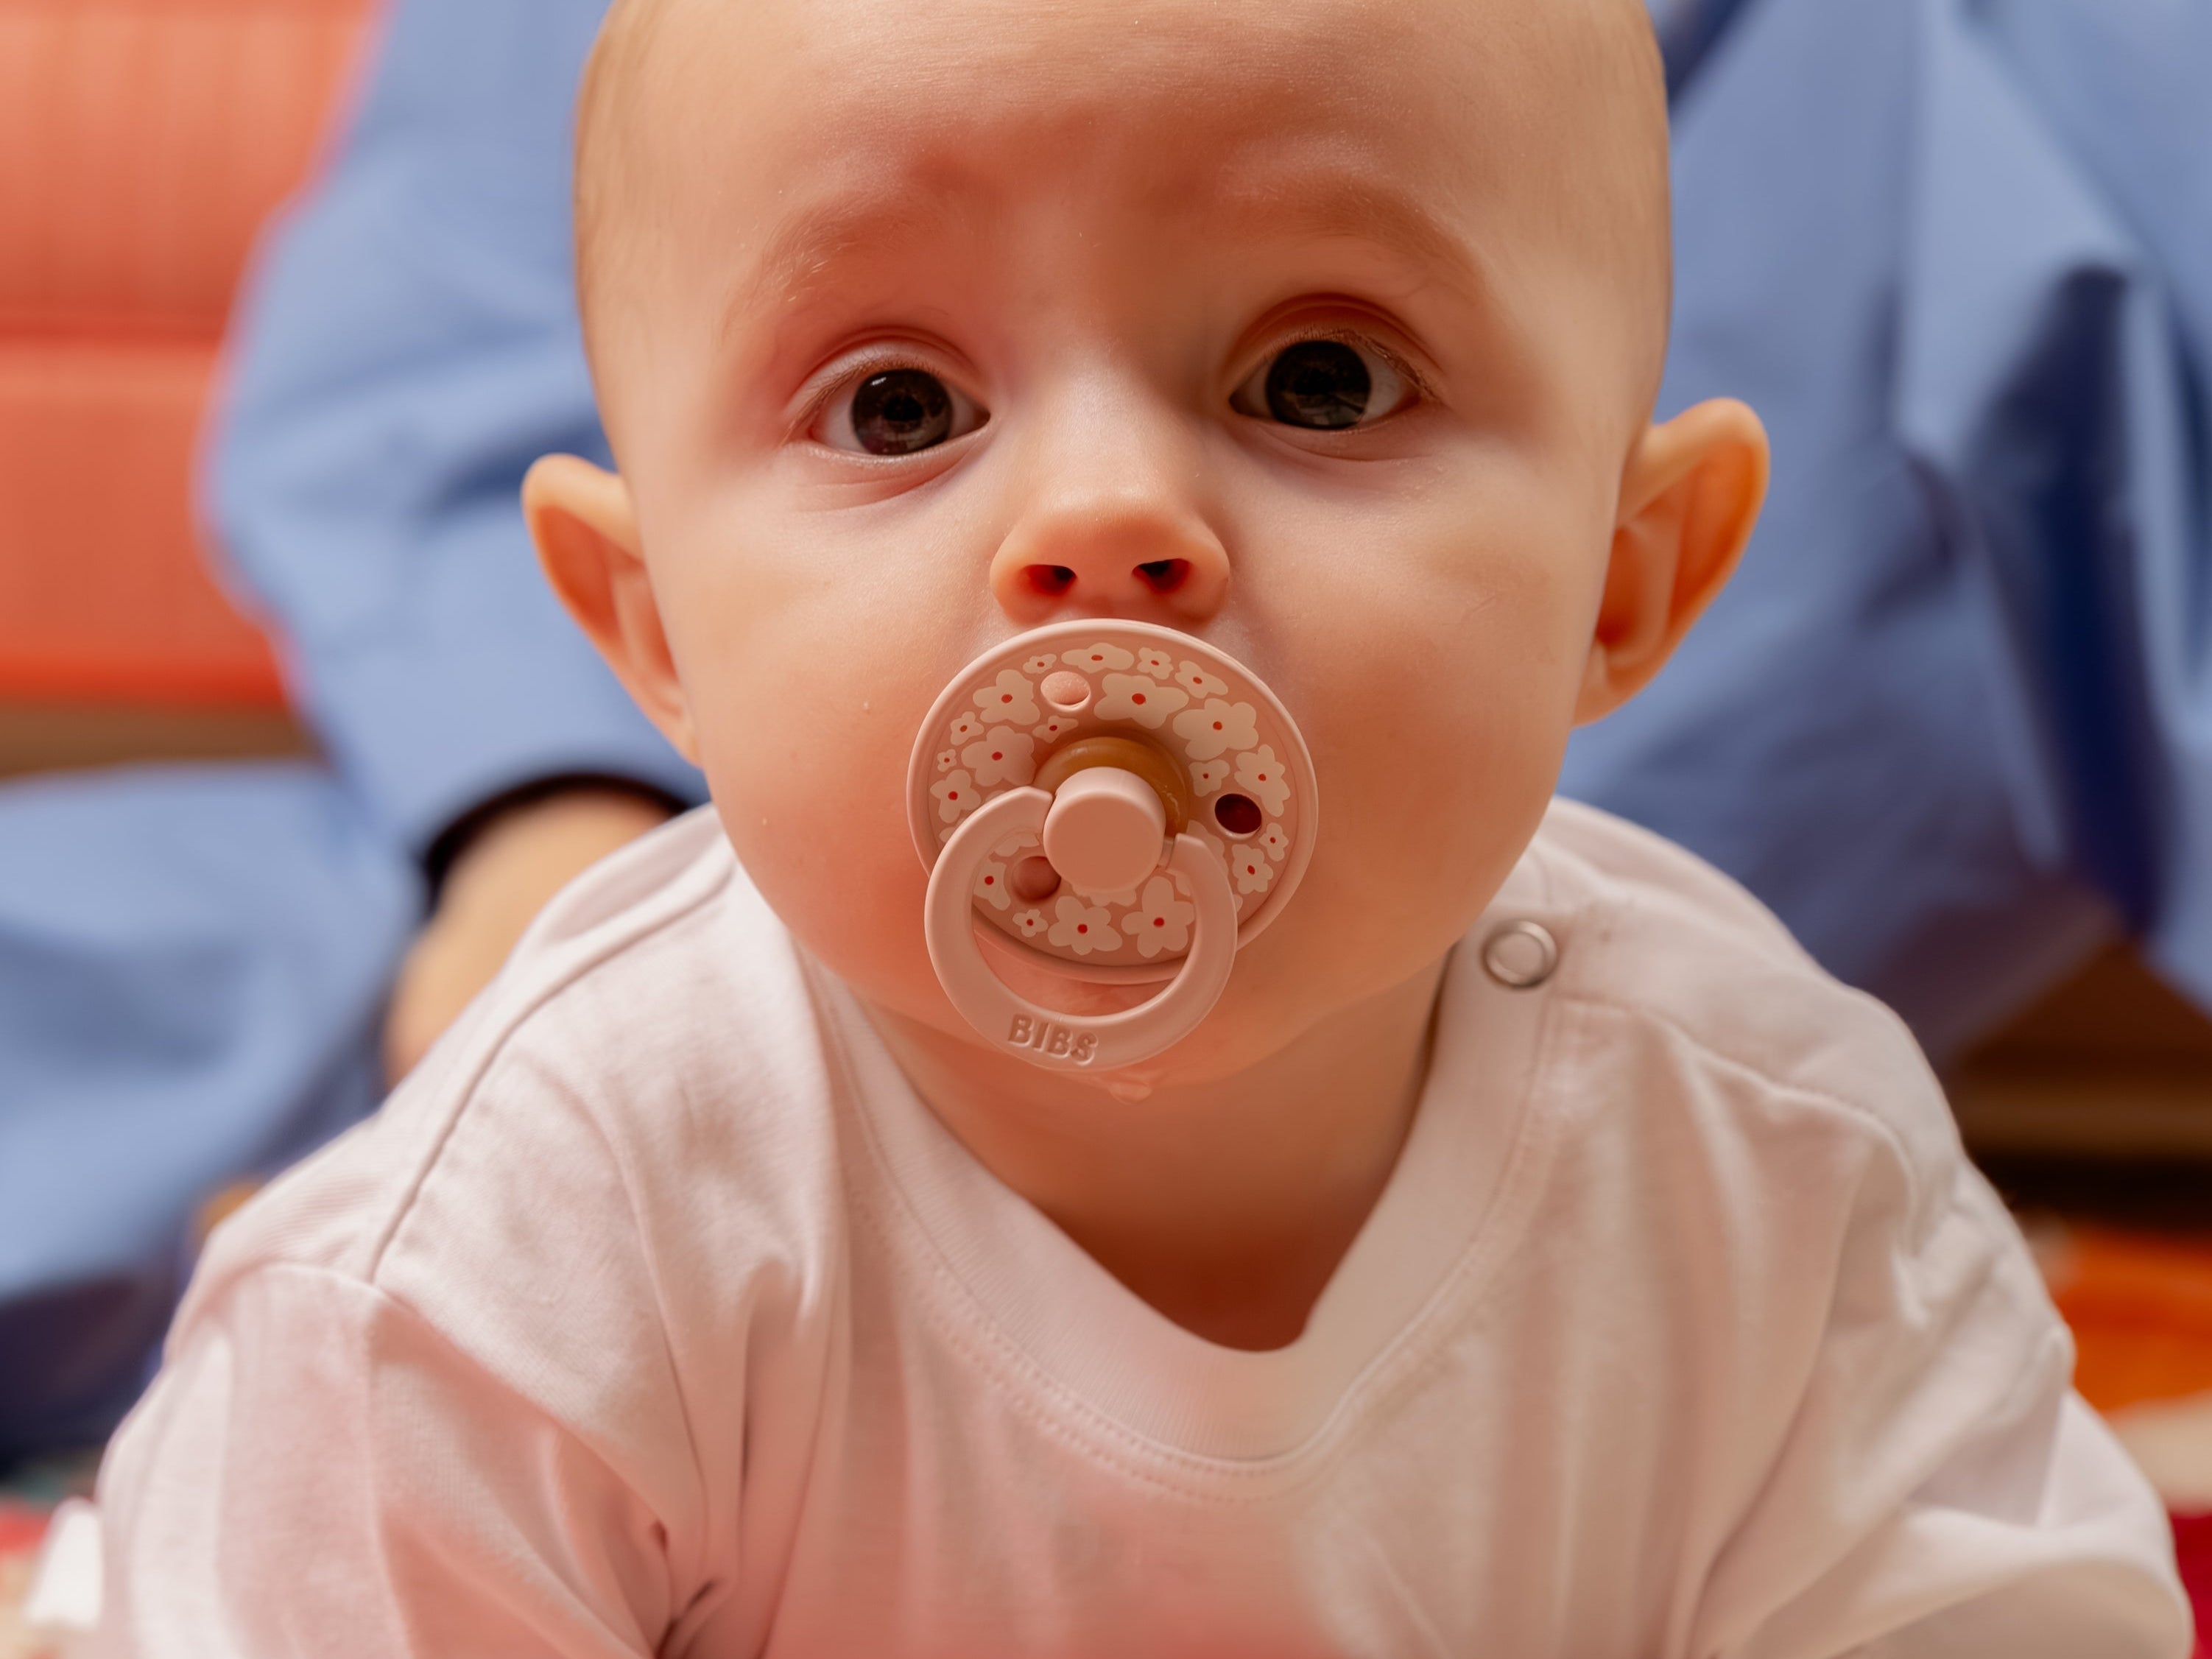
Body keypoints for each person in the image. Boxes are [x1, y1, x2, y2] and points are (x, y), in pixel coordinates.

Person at [84, 0, 2191, 1651]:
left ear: (1628, 580)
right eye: (898, 405)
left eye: (1321, 382)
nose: (1103, 523)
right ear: (648, 634)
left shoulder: (1778, 1168)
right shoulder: (510, 1248)